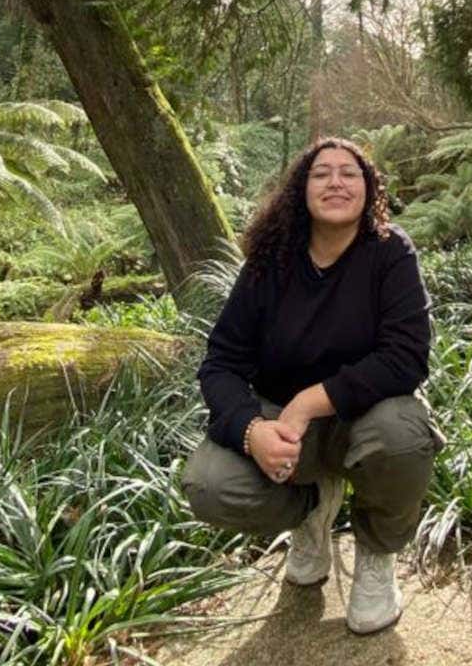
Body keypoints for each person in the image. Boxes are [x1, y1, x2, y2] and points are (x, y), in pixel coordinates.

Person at [182, 136, 445, 635]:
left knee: (401, 433)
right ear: (301, 191)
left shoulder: (390, 253)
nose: (336, 182)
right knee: (209, 486)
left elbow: (406, 358)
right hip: (283, 431)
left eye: (350, 173)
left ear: (369, 190)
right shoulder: (269, 263)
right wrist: (250, 432)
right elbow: (220, 363)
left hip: (362, 423)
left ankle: (375, 555)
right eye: (321, 173)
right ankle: (312, 512)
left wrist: (309, 402)